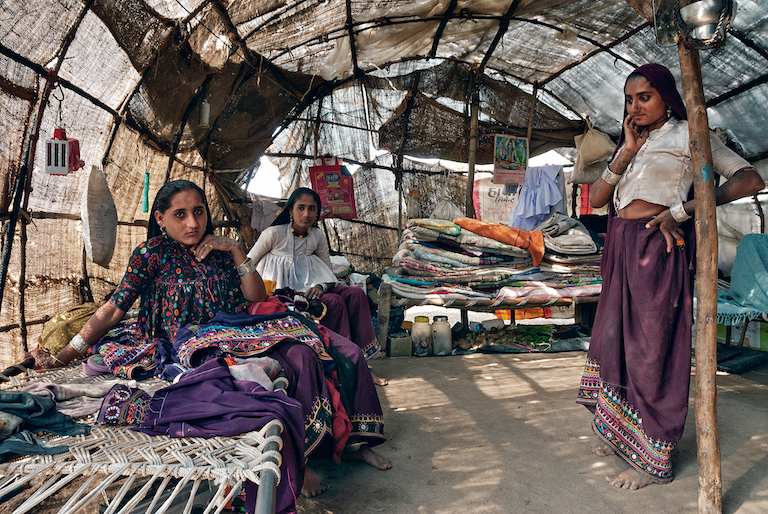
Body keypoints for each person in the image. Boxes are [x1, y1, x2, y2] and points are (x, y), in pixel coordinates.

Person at [25, 179, 390, 500]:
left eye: (198, 212)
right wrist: (66, 354)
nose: (193, 223)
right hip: (191, 338)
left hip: (238, 325)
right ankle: (303, 460)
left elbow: (255, 297)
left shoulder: (219, 250)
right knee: (297, 362)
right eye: (180, 214)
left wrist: (235, 250)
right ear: (161, 219)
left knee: (324, 351)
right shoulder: (150, 255)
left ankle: (355, 443)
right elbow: (112, 309)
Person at [577, 63, 764, 490]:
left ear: (667, 97)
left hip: (656, 249)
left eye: (644, 97)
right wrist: (627, 149)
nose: (635, 107)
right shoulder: (632, 141)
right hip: (621, 247)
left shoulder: (691, 134)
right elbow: (599, 197)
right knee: (615, 342)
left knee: (653, 350)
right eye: (629, 100)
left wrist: (682, 211)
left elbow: (748, 179)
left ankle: (652, 457)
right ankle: (619, 432)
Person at [247, 187, 388, 386]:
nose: (306, 214)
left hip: (314, 286)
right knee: (334, 302)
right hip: (285, 291)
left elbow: (327, 270)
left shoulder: (317, 236)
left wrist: (322, 285)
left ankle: (362, 364)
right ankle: (344, 365)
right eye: (301, 208)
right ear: (290, 210)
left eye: (312, 209)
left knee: (356, 294)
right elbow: (248, 263)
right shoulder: (273, 234)